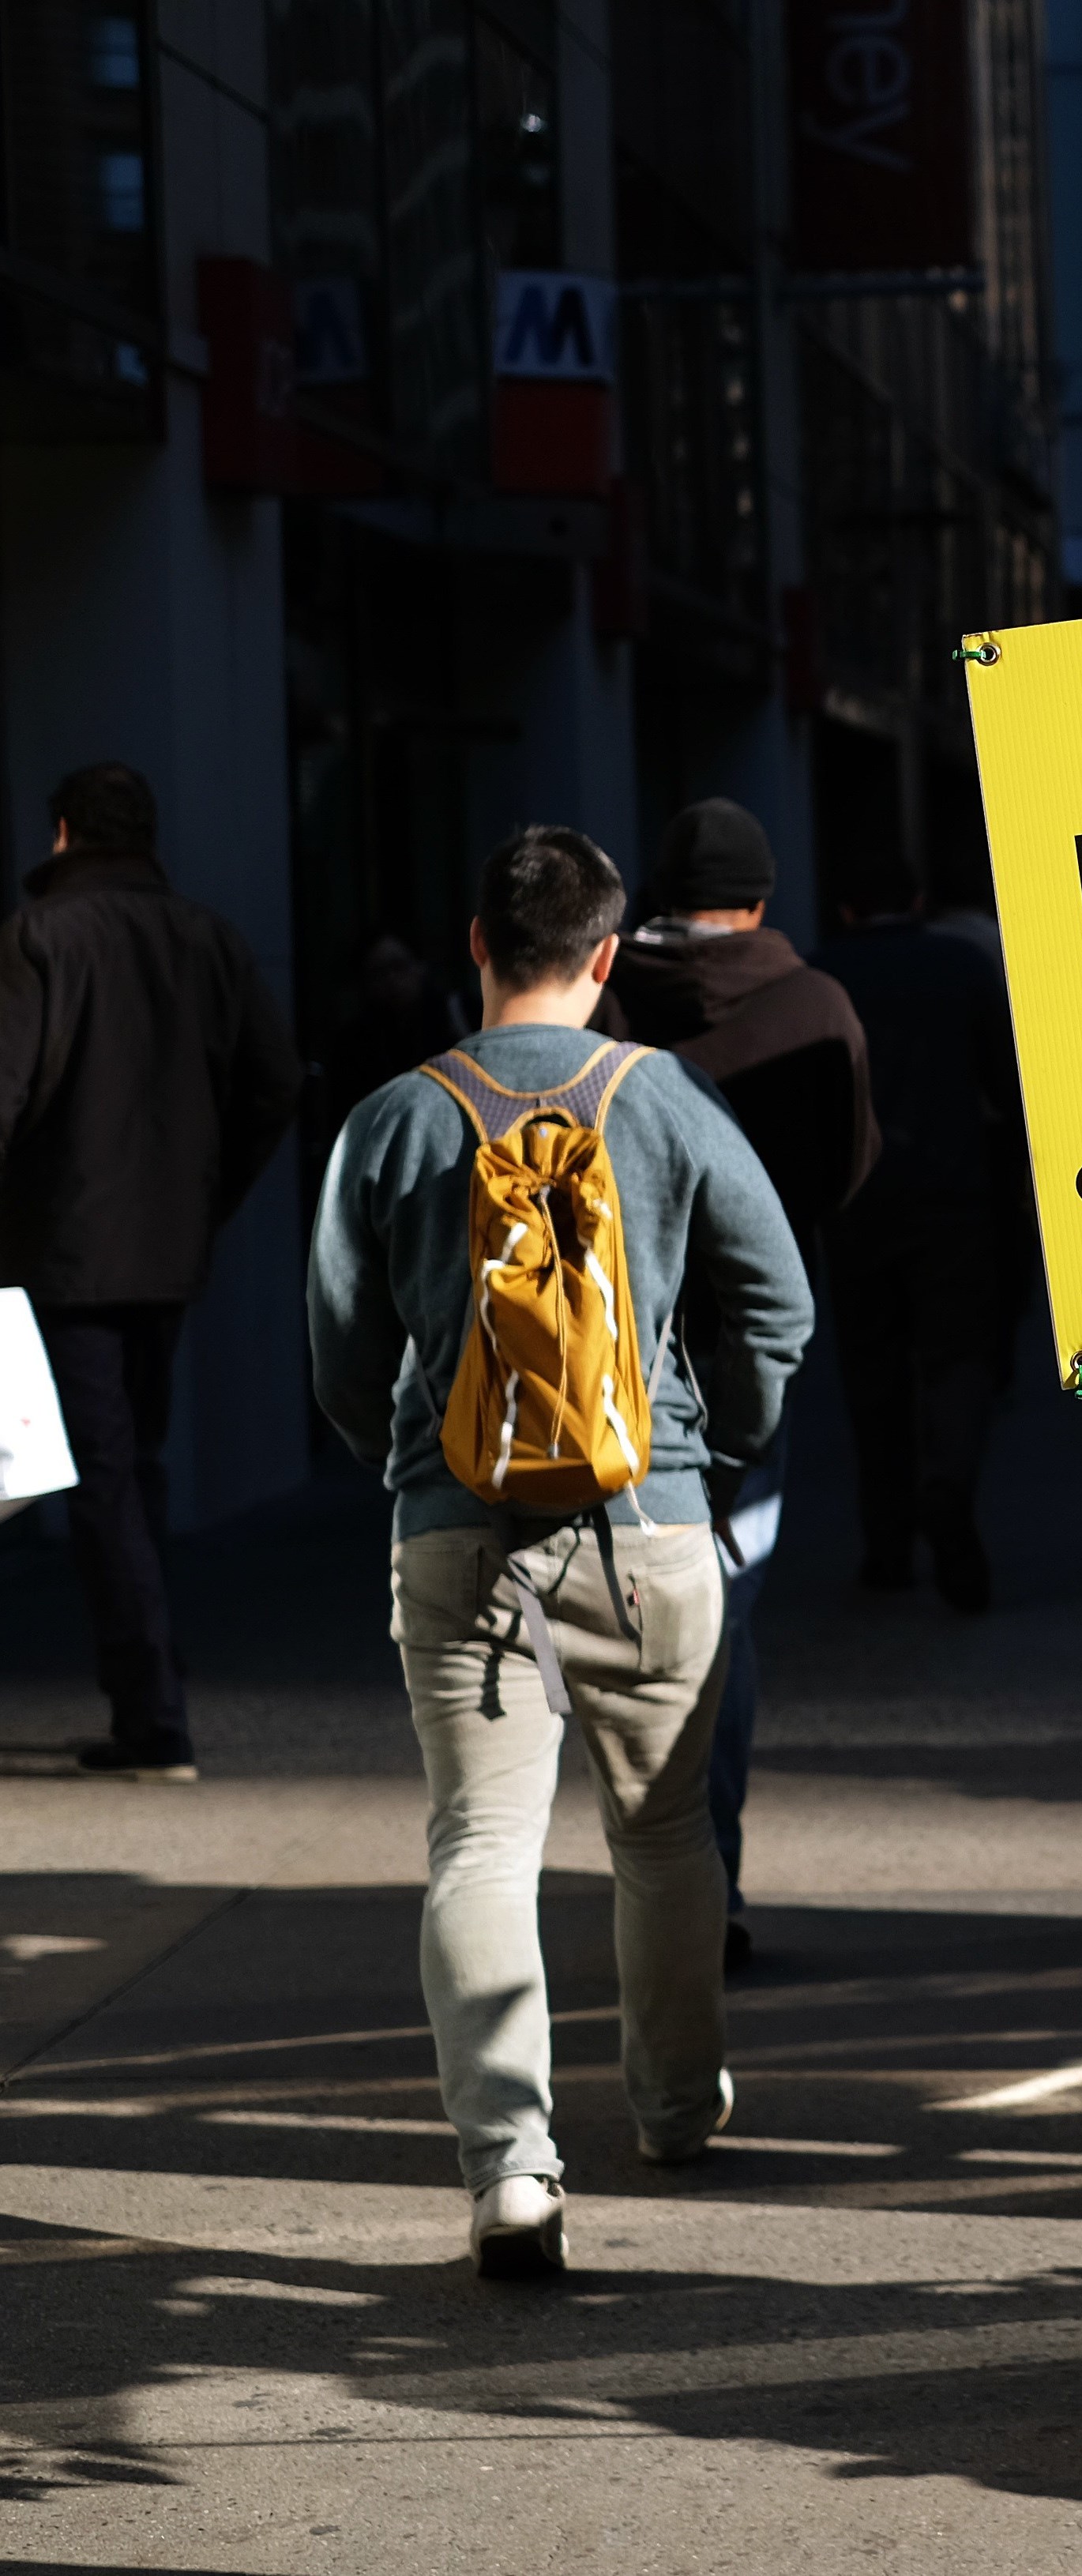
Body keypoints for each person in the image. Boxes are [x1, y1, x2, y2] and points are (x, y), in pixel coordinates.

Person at [308, 824, 813, 2277]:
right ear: (606, 958)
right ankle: (666, 2108)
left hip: (458, 1533)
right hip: (647, 1523)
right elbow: (774, 1305)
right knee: (662, 1835)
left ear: (476, 946)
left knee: (478, 1844)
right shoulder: (666, 1103)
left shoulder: (392, 1120)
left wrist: (408, 1472)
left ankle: (512, 2172)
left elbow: (342, 1355)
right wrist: (707, 1452)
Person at [594, 798, 876, 1962]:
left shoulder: (602, 1006)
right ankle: (709, 1879)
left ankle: (658, 1879)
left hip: (619, 1345)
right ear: (760, 900)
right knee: (724, 1610)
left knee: (622, 1613)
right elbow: (848, 1168)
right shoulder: (814, 1005)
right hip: (753, 1336)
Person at [0, 762, 300, 1782]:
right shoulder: (206, 940)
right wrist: (207, 1193)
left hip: (71, 1251)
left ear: (65, 836)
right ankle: (153, 1683)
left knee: (103, 1484)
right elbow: (274, 1083)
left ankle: (152, 1713)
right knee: (139, 1468)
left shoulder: (38, 938)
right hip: (169, 1252)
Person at [816, 846, 1023, 1606]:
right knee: (957, 1356)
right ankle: (950, 1482)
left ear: (843, 909)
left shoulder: (820, 978)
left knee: (872, 1374)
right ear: (919, 895)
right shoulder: (961, 966)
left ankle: (887, 1544)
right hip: (954, 1194)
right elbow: (1005, 1084)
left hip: (856, 1202)